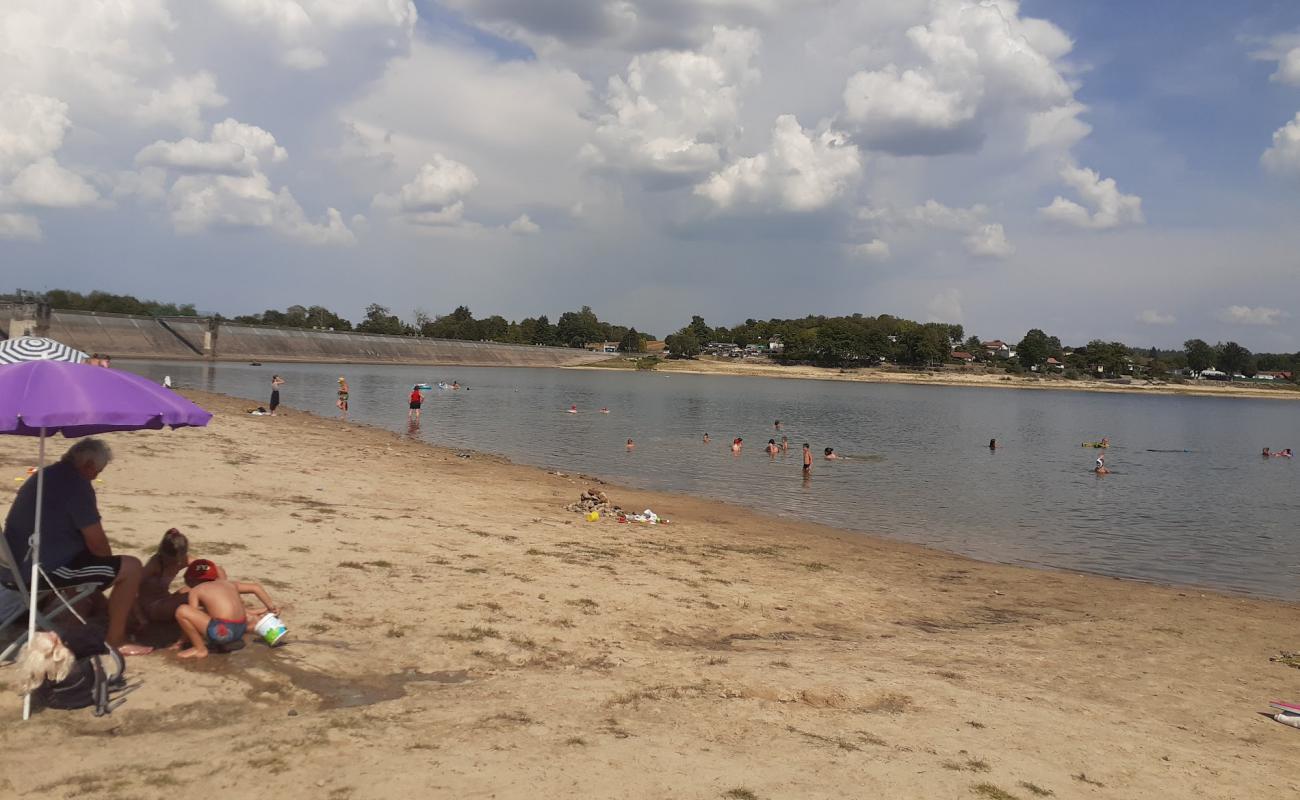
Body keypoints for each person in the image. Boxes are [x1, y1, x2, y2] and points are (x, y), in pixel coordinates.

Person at [2, 439, 151, 655]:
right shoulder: (75, 485)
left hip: (15, 566)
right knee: (131, 567)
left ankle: (85, 614)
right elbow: (97, 543)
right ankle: (116, 639)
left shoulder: (46, 475)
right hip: (41, 571)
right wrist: (114, 574)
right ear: (88, 464)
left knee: (86, 564)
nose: (96, 476)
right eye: (98, 470)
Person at [173, 559, 278, 659]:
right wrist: (271, 607)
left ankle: (199, 649)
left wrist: (181, 641)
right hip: (240, 630)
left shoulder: (196, 590)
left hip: (222, 633)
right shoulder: (229, 584)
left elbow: (192, 616)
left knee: (182, 610)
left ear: (192, 579)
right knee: (233, 615)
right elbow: (256, 587)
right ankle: (266, 629)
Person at [133, 528, 226, 626]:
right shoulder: (155, 564)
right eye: (172, 560)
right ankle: (212, 620)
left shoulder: (184, 560)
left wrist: (224, 589)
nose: (177, 563)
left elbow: (218, 570)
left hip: (167, 599)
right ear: (163, 554)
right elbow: (131, 587)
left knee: (200, 588)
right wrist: (139, 616)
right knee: (195, 593)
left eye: (179, 560)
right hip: (152, 607)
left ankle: (221, 611)